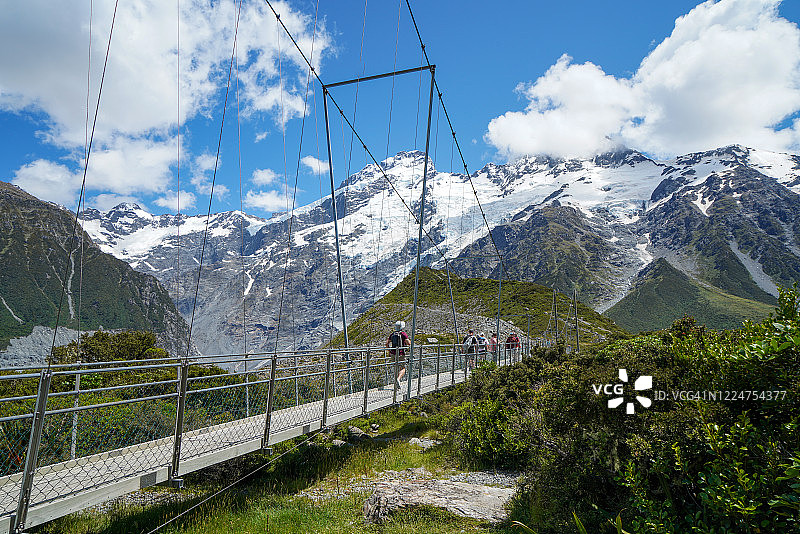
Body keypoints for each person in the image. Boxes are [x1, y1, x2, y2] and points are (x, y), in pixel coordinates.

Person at [386, 320, 411, 387]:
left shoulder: (392, 334)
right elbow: (408, 343)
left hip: (393, 354)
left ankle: (396, 382)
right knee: (403, 368)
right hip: (401, 353)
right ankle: (398, 379)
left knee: (396, 367)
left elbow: (387, 343)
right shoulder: (403, 334)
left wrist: (390, 351)